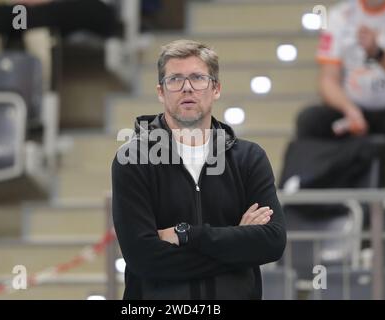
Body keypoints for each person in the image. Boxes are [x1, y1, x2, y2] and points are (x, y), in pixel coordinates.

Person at [111, 39, 286, 300]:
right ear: (161, 91)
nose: (187, 88)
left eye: (198, 78)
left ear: (216, 88)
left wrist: (187, 234)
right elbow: (143, 258)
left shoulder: (249, 158)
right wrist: (238, 244)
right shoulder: (133, 159)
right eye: (175, 80)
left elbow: (271, 242)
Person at [297, 0, 385, 180]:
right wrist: (349, 109)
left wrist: (377, 53)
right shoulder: (340, 15)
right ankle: (305, 194)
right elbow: (327, 79)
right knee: (309, 119)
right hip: (353, 108)